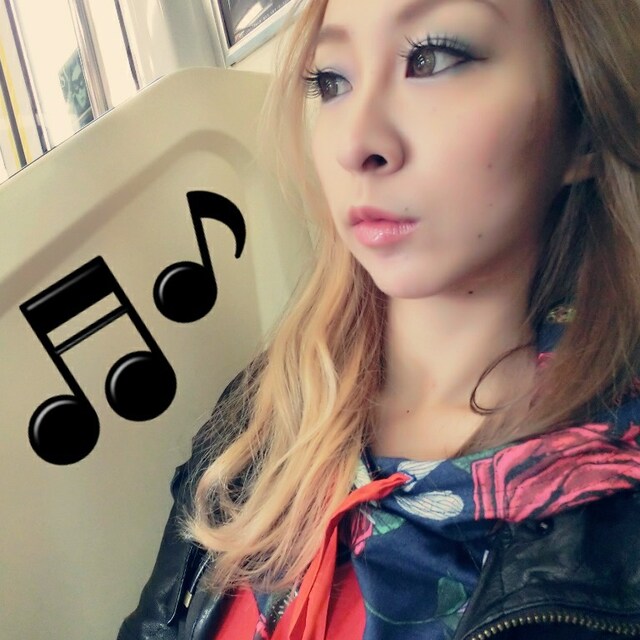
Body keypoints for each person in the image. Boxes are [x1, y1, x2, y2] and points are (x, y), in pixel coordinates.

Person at [117, 0, 640, 638]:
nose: (356, 143)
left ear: (584, 126)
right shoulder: (266, 409)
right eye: (331, 80)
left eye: (433, 58)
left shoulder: (618, 516)